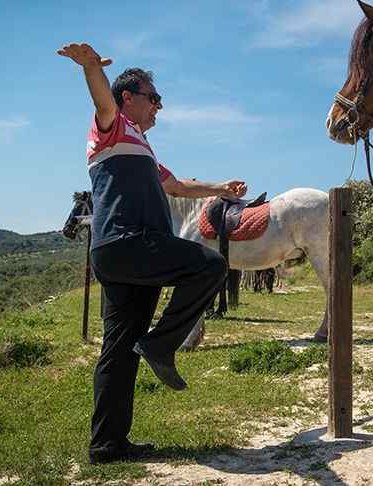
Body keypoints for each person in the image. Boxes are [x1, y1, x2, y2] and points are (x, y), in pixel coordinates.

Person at [58, 42, 247, 464]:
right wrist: (90, 67)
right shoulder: (112, 124)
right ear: (130, 98)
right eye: (153, 98)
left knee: (119, 349)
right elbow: (101, 98)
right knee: (211, 266)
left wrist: (220, 188)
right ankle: (162, 345)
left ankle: (108, 444)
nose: (159, 106)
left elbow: (178, 187)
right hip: (130, 242)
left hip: (117, 253)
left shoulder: (142, 147)